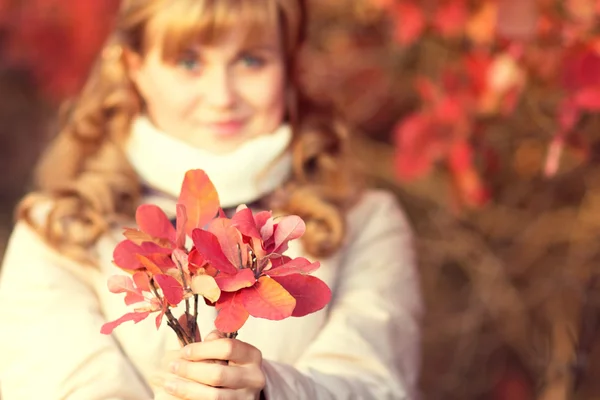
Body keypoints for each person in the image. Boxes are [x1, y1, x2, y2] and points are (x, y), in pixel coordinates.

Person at [0, 0, 423, 399]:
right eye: (189, 62)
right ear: (135, 68)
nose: (222, 97)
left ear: (289, 67)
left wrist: (267, 391)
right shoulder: (58, 233)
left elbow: (374, 382)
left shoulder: (364, 223)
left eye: (251, 60)